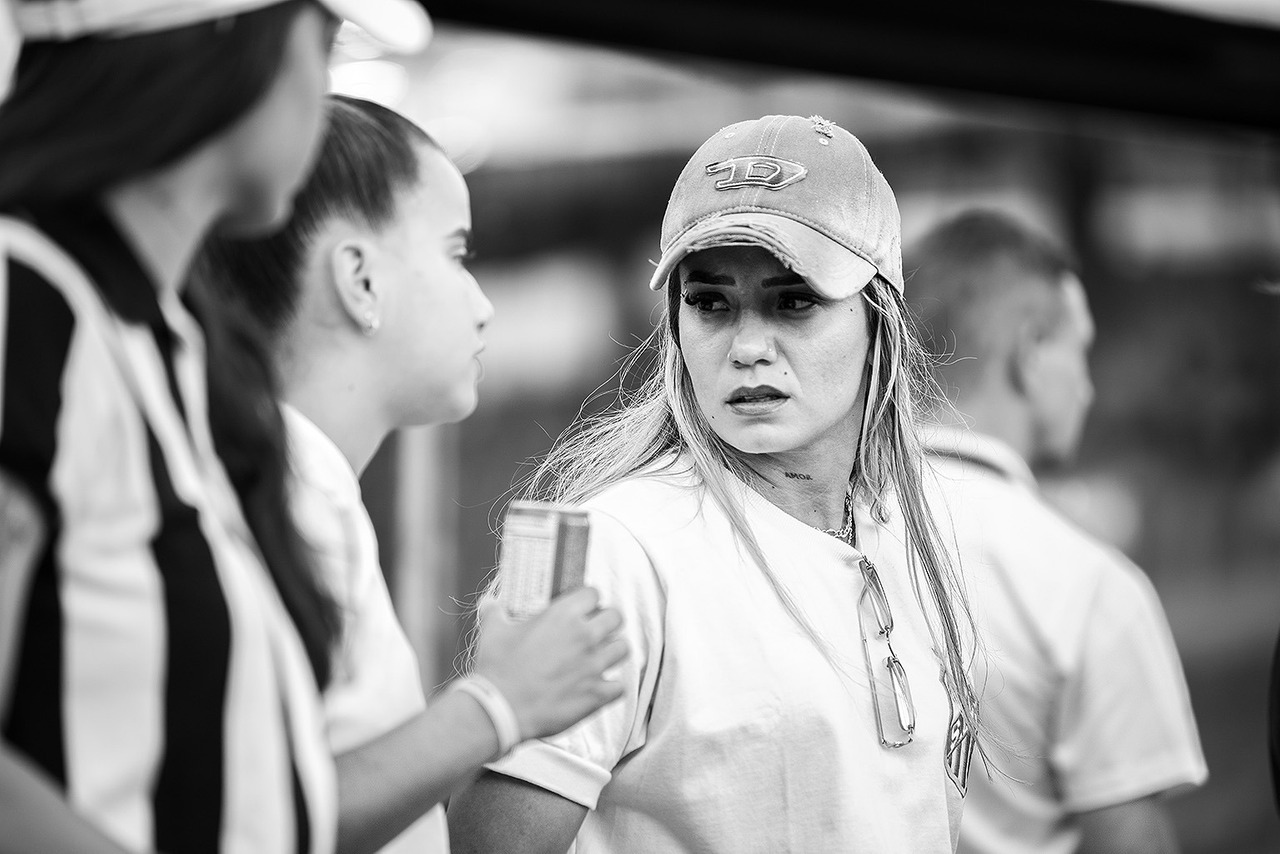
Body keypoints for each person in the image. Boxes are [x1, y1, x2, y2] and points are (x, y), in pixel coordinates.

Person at [446, 113, 986, 853]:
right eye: (710, 303)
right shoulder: (620, 547)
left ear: (879, 317)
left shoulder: (911, 530)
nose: (749, 347)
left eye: (794, 300)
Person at [0, 2, 429, 853]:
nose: (325, 94)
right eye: (323, 43)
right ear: (233, 42)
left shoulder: (161, 338)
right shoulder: (28, 304)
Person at [193, 94, 630, 854]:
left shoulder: (297, 485)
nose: (483, 304)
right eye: (457, 253)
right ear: (360, 280)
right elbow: (254, 818)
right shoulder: (286, 496)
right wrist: (499, 703)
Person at [904, 208, 1208, 854]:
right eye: (1081, 348)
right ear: (1032, 348)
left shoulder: (805, 543)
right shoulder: (1088, 586)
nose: (1088, 388)